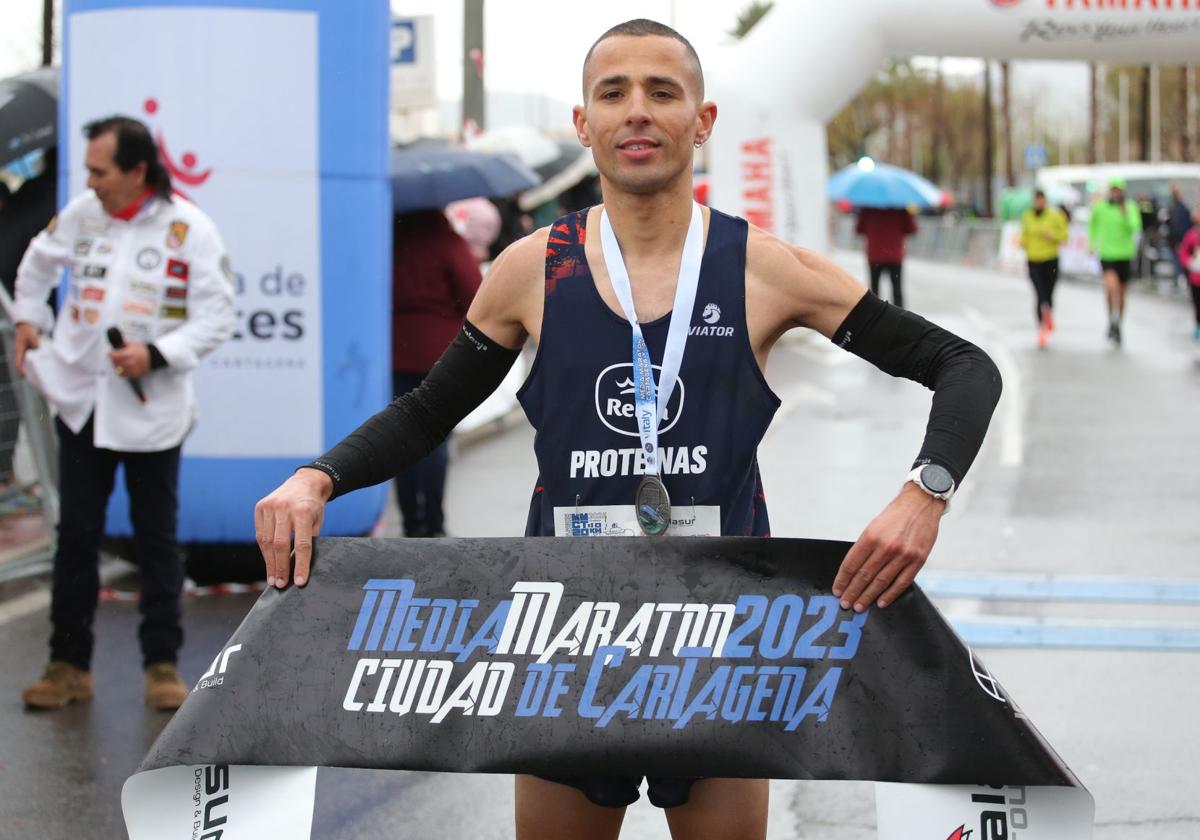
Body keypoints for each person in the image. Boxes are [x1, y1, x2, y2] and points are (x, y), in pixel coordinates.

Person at [254, 19, 1001, 840]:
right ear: (585, 124)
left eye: (661, 92)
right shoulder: (530, 269)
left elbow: (965, 366)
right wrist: (317, 477)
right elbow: (430, 409)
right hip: (564, 642)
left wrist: (923, 493)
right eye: (613, 93)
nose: (636, 111)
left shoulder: (765, 269)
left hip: (723, 642)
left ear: (702, 121)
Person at [12, 116, 236, 711]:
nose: (89, 181)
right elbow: (35, 265)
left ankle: (162, 665)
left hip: (150, 412)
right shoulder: (84, 212)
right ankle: (66, 666)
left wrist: (157, 353)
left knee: (156, 540)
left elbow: (219, 316)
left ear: (137, 171)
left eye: (99, 170)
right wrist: (28, 319)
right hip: (82, 404)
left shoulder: (190, 228)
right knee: (77, 536)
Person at [391, 209, 483, 537]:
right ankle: (433, 522)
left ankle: (410, 522)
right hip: (441, 356)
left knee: (400, 439)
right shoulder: (445, 241)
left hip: (395, 352)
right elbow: (476, 292)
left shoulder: (389, 239)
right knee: (435, 440)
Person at [1088, 176, 1142, 346]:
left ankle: (1119, 322)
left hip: (1125, 254)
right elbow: (1093, 225)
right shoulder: (1101, 207)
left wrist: (1126, 214)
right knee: (1111, 287)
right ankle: (1111, 317)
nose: (1115, 193)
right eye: (1113, 189)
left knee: (1122, 292)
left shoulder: (1130, 207)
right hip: (1107, 253)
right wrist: (1091, 243)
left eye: (1118, 190)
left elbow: (1136, 226)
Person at [1019, 189, 1069, 349]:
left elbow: (1065, 236)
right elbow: (1024, 235)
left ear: (1045, 201)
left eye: (1041, 200)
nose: (1039, 203)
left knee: (1048, 293)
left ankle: (1048, 315)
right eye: (1036, 200)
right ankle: (1041, 328)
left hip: (1050, 259)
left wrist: (1052, 236)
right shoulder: (1027, 216)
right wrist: (1022, 242)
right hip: (1033, 259)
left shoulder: (1055, 216)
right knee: (1039, 293)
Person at [854, 205, 917, 309]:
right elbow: (912, 229)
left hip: (875, 256)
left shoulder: (868, 209)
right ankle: (900, 317)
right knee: (897, 290)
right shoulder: (900, 209)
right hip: (894, 256)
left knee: (875, 290)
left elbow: (859, 229)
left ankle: (874, 314)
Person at [1177, 208, 1200, 342]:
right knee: (1197, 304)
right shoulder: (1192, 234)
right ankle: (1198, 325)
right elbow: (1183, 252)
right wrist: (1189, 263)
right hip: (1195, 278)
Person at [1167, 184, 1193, 286]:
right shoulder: (1178, 207)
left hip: (1178, 240)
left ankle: (1179, 280)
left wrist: (1179, 241)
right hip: (1178, 240)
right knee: (1178, 261)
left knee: (1179, 261)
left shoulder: (1178, 209)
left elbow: (1179, 226)